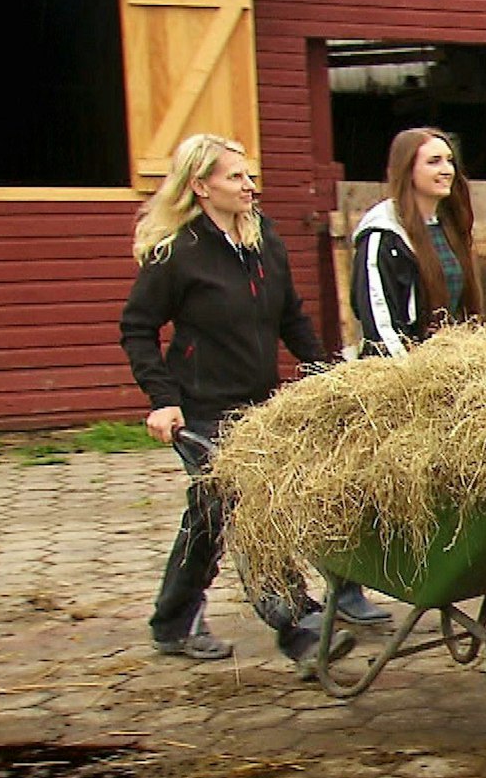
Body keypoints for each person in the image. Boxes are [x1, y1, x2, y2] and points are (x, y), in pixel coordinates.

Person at [119, 134, 383, 677]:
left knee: (209, 514)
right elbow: (138, 328)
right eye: (236, 177)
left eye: (249, 175)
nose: (249, 185)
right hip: (201, 405)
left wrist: (322, 375)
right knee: (244, 504)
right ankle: (298, 625)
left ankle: (172, 620)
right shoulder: (180, 252)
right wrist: (163, 400)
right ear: (201, 186)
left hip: (258, 404)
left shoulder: (264, 241)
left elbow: (292, 319)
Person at [350, 127, 485, 358]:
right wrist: (412, 378)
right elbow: (380, 324)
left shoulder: (449, 228)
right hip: (402, 376)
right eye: (434, 162)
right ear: (408, 170)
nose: (447, 170)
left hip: (446, 366)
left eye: (449, 161)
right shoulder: (383, 235)